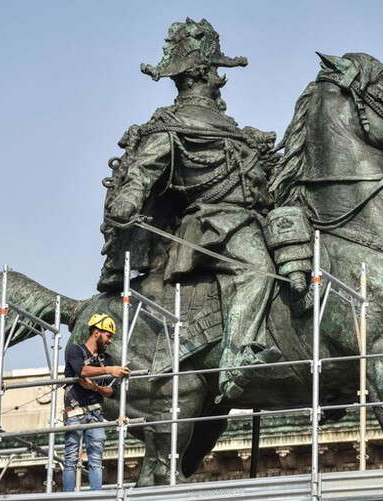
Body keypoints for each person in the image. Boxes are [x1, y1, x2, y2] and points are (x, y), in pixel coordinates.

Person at [100, 18, 284, 403]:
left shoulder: (227, 126)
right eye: (216, 69)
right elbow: (144, 168)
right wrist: (129, 197)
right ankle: (238, 357)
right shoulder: (173, 126)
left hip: (254, 218)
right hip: (213, 225)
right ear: (202, 74)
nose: (221, 78)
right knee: (258, 271)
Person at [61, 313, 130, 492]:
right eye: (108, 336)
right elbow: (81, 370)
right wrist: (108, 370)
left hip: (95, 413)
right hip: (75, 412)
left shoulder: (106, 359)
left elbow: (111, 392)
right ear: (97, 333)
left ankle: (96, 495)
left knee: (96, 460)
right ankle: (67, 500)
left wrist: (95, 389)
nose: (110, 341)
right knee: (70, 458)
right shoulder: (76, 351)